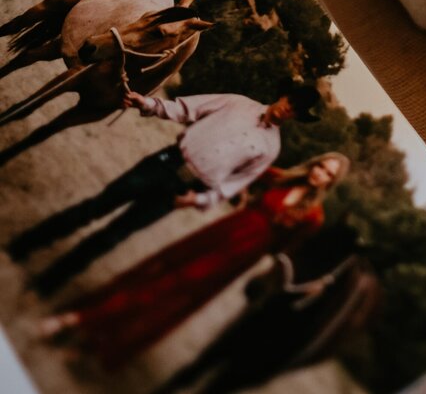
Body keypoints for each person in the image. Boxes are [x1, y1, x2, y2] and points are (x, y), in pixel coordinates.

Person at [42, 153, 350, 375]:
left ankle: (90, 337)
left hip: (239, 257)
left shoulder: (314, 216)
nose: (320, 173)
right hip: (219, 234)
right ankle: (81, 317)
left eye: (328, 173)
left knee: (171, 293)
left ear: (331, 182)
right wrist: (242, 196)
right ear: (314, 164)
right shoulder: (280, 177)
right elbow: (244, 170)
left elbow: (283, 248)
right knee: (157, 271)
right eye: (321, 166)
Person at [11, 81, 321, 296]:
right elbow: (186, 108)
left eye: (295, 111)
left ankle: (49, 281)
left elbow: (234, 184)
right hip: (165, 163)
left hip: (186, 189)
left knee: (116, 233)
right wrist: (146, 104)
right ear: (283, 96)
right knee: (98, 205)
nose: (287, 110)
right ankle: (26, 244)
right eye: (290, 102)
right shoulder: (237, 103)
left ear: (296, 117)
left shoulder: (270, 148)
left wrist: (198, 199)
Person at [154, 223, 380, 394]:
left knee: (230, 377)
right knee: (215, 354)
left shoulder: (343, 283)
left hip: (288, 327)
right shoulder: (321, 244)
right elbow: (301, 252)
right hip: (273, 309)